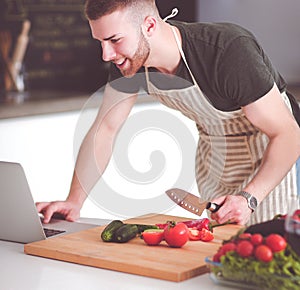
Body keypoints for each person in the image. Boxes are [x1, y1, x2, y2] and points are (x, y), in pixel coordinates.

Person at [36, 0, 300, 226]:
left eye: (114, 40)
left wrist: (249, 197)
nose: (106, 54)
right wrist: (74, 201)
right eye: (101, 42)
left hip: (278, 156)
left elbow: (288, 134)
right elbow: (106, 128)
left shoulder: (226, 51)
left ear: (149, 25)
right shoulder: (129, 62)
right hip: (219, 157)